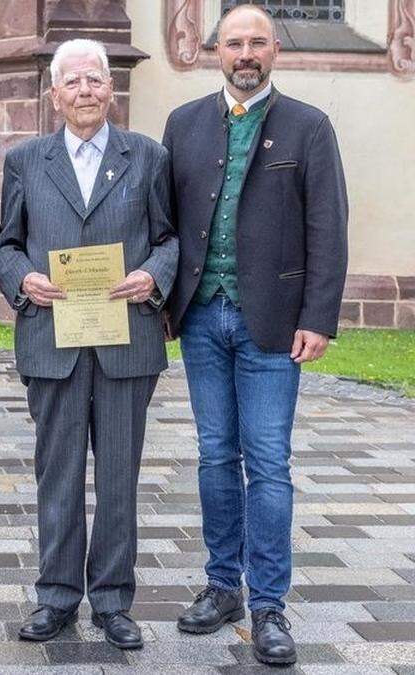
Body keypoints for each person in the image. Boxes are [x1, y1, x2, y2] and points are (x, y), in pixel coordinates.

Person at [163, 4, 348, 666]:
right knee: (216, 454)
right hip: (202, 317)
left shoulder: (309, 127)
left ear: (275, 51)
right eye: (235, 42)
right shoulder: (183, 124)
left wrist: (318, 315)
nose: (246, 53)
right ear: (217, 50)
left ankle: (268, 602)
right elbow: (165, 220)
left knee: (267, 458)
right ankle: (222, 587)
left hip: (272, 320)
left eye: (257, 43)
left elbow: (328, 225)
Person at [0, 38, 177, 651]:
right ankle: (57, 597)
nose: (85, 91)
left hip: (126, 341)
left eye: (95, 80)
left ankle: (115, 601)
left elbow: (170, 238)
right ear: (55, 95)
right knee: (59, 475)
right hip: (54, 338)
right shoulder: (25, 160)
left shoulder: (148, 156)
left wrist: (155, 274)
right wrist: (23, 281)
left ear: (110, 88)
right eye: (72, 83)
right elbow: (5, 244)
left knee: (120, 476)